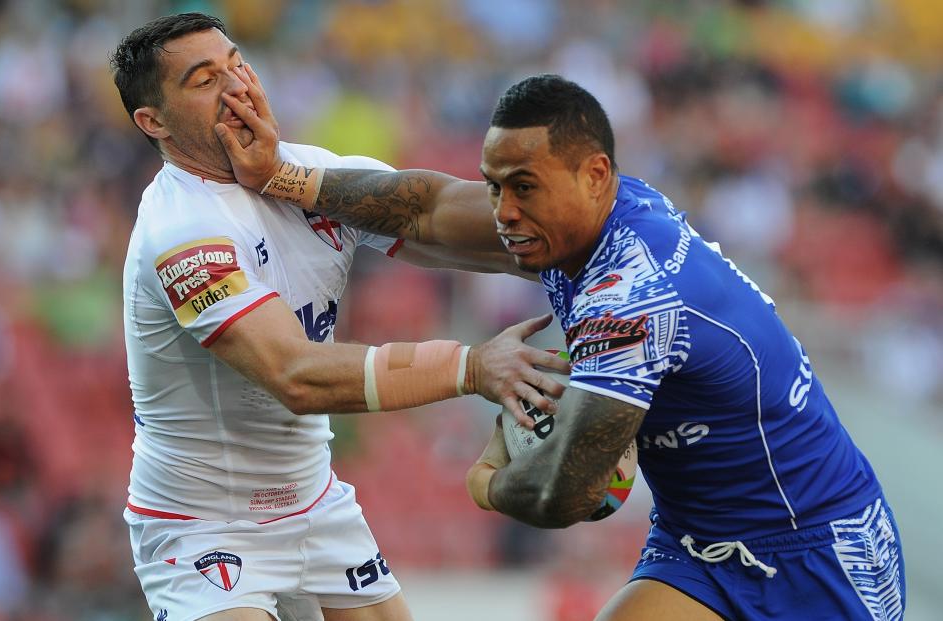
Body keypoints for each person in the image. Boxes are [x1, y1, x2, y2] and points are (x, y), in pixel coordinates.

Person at [221, 73, 906, 620]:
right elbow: (425, 206)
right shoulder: (573, 227)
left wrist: (486, 481)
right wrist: (281, 176)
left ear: (596, 174)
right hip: (699, 546)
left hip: (817, 553)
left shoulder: (631, 298)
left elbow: (564, 490)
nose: (504, 210)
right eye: (495, 186)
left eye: (523, 188)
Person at [109, 14, 568, 621]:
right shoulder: (181, 232)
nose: (237, 86)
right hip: (204, 526)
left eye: (237, 63)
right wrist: (473, 367)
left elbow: (432, 216)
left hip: (316, 504)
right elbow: (296, 375)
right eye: (203, 79)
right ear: (153, 121)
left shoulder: (302, 173)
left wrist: (587, 230)